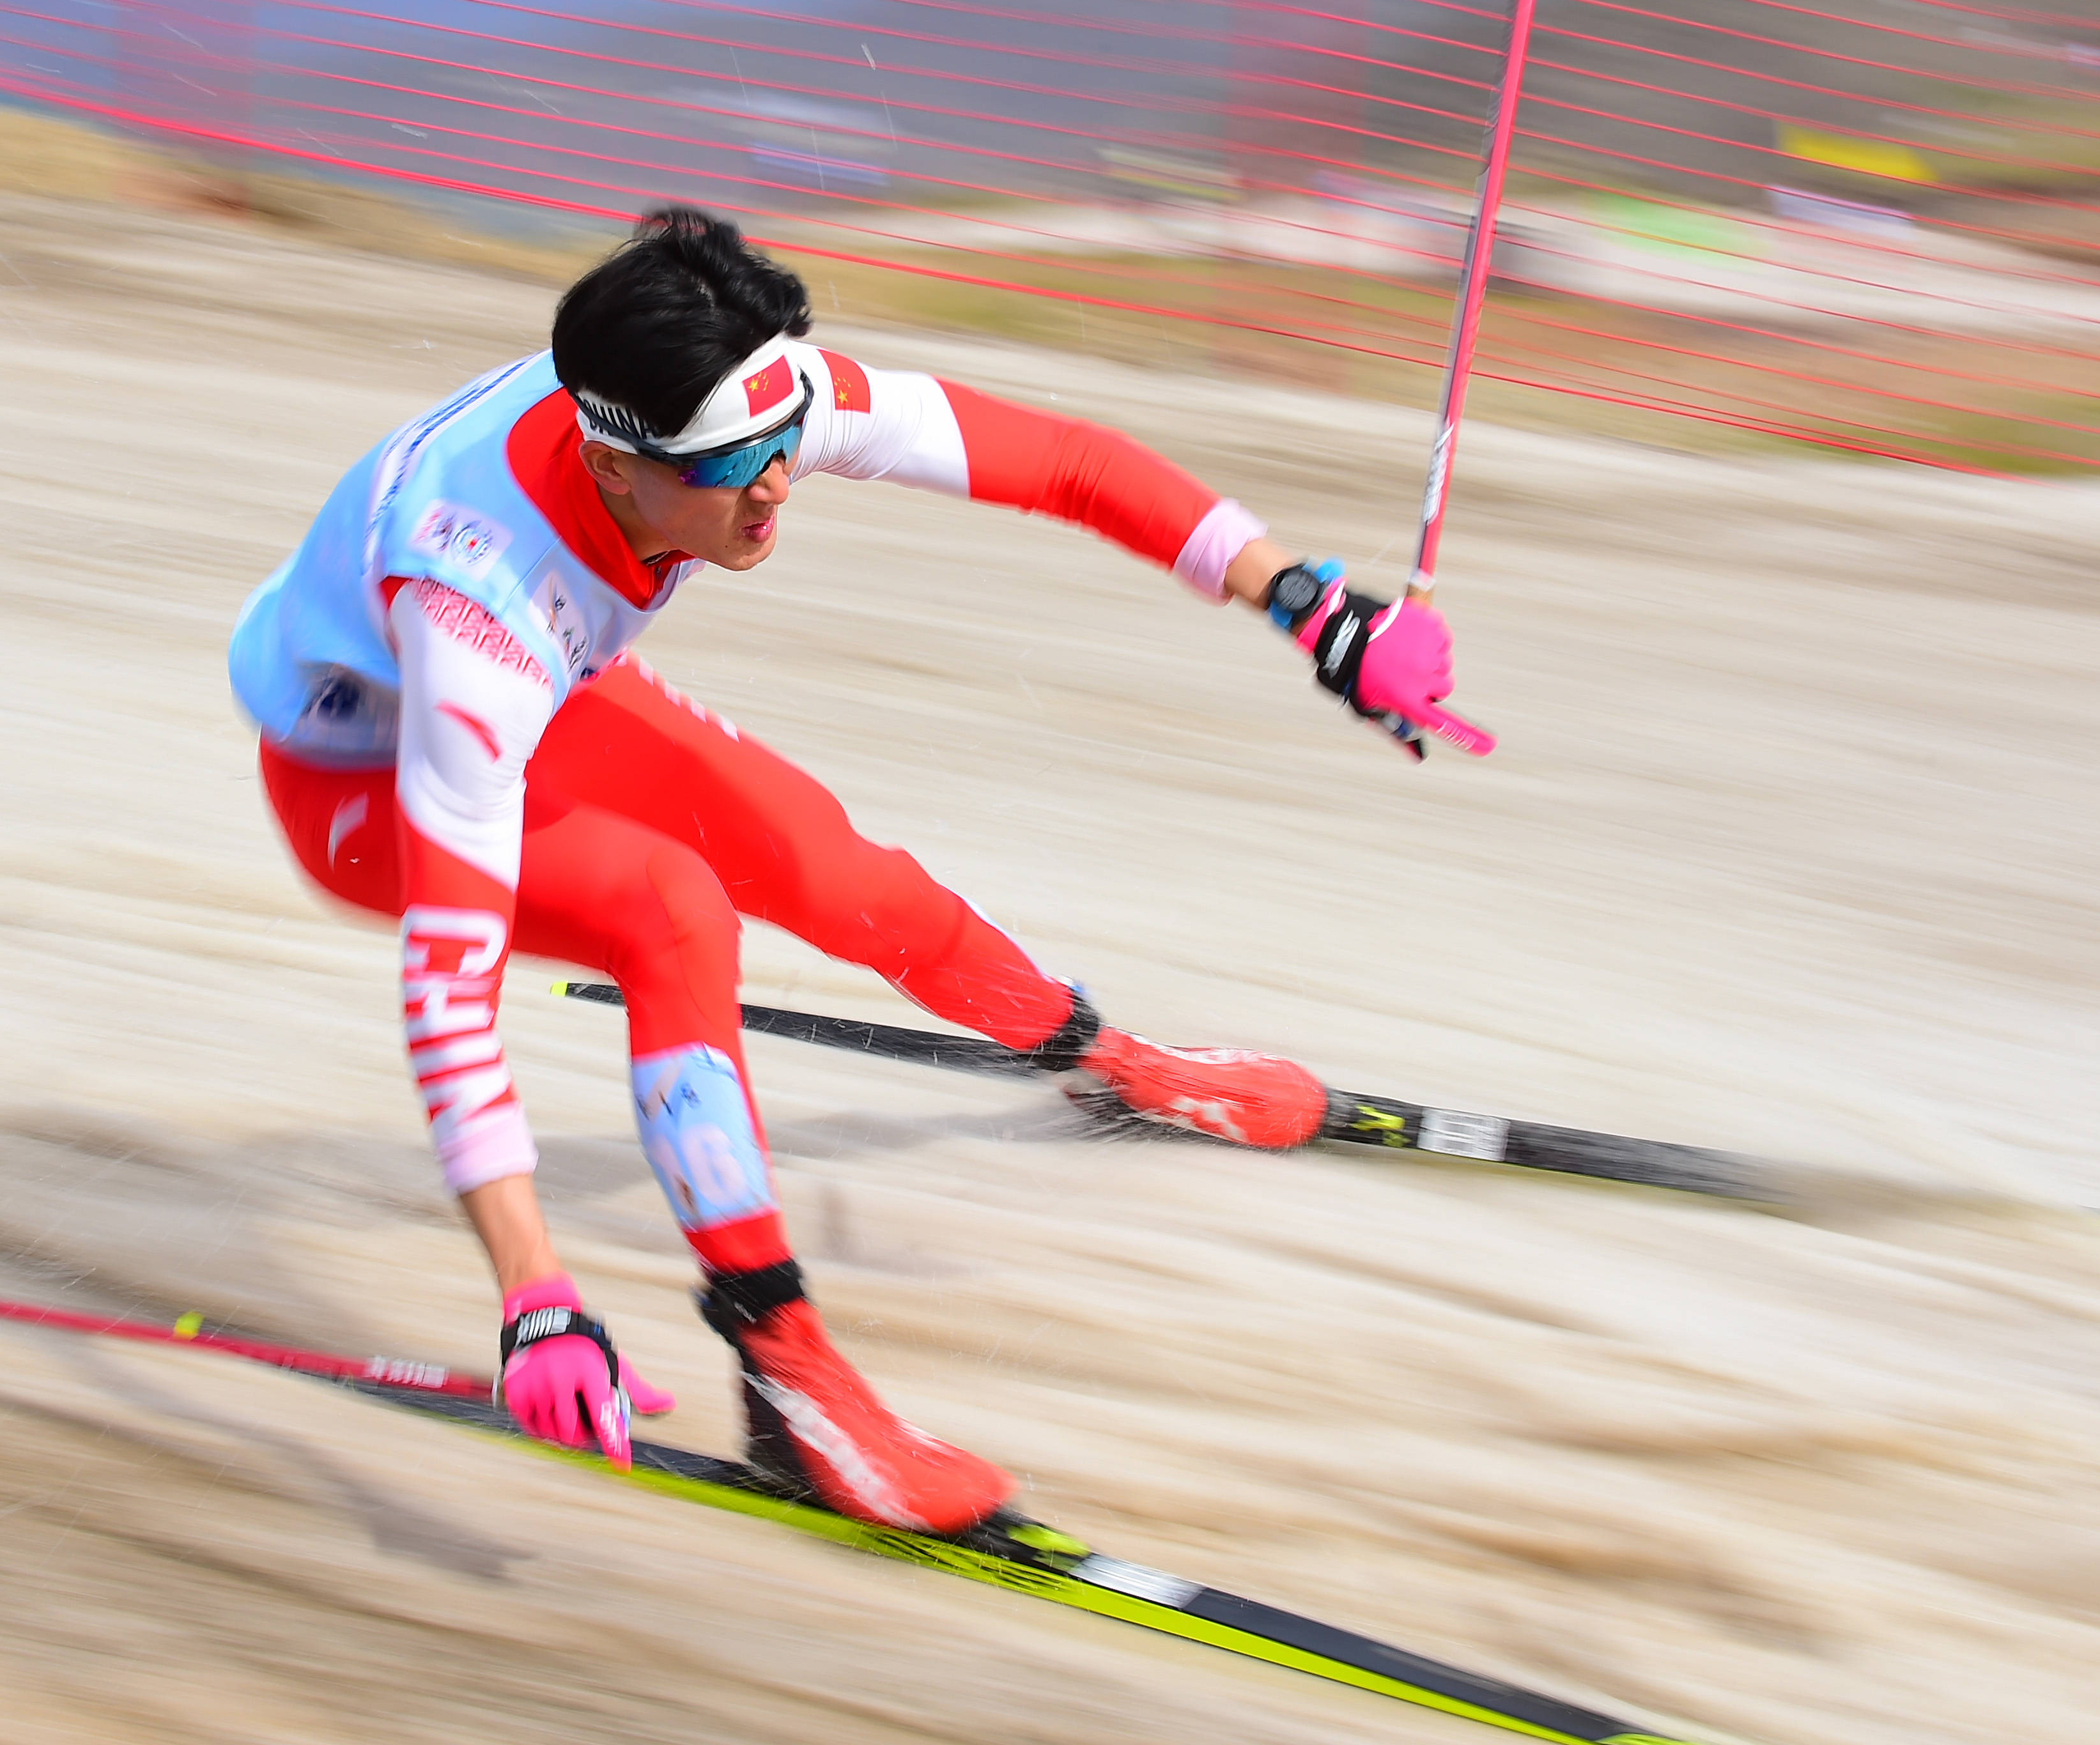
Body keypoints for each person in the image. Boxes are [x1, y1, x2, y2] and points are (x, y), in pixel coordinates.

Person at [229, 208, 1486, 1537]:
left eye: (788, 446)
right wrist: (535, 1292)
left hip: (549, 689)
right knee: (675, 911)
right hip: (357, 785)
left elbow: (1061, 461)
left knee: (835, 870)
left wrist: (1310, 605)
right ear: (612, 462)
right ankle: (784, 1369)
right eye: (735, 467)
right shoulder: (475, 616)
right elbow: (445, 993)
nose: (775, 483)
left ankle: (1110, 1058)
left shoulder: (732, 396)